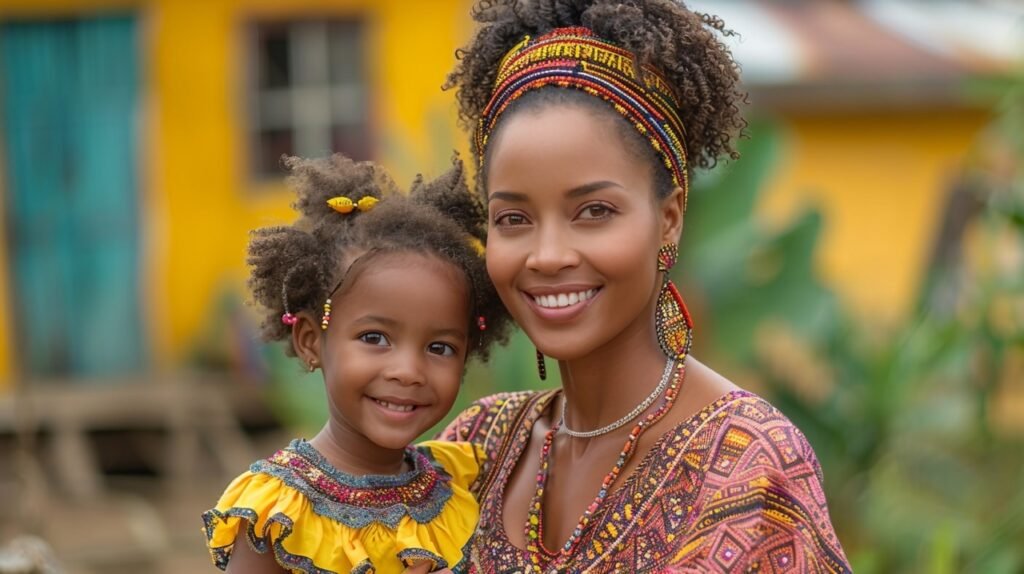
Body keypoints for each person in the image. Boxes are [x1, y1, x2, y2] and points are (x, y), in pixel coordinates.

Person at [437, 0, 853, 571]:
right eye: (513, 218)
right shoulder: (475, 450)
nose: (548, 255)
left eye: (594, 211)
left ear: (670, 217)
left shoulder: (747, 466)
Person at [202, 155, 511, 574]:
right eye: (374, 338)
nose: (408, 370)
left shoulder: (461, 482)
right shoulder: (277, 512)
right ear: (311, 341)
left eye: (440, 347)